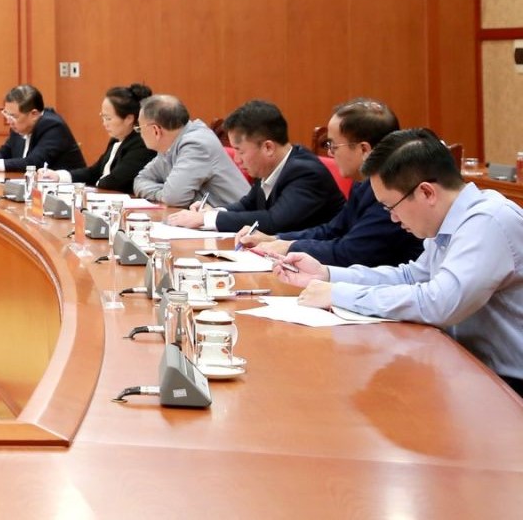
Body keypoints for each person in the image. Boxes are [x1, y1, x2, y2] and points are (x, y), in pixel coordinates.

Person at [277, 128, 523, 397]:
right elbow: (410, 277)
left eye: (391, 206)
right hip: (470, 370)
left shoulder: (487, 222)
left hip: (509, 385)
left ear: (426, 192)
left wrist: (338, 294)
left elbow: (439, 303)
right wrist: (327, 275)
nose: (393, 219)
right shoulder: (449, 220)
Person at [241, 99, 423, 267]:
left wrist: (289, 247)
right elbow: (332, 230)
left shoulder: (394, 190)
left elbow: (352, 253)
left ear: (363, 149)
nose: (329, 153)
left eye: (333, 145)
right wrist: (276, 239)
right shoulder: (363, 183)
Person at [166, 99, 344, 233]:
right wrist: (213, 212)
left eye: (240, 151)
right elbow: (247, 204)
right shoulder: (270, 166)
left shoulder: (306, 172)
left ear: (268, 147)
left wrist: (207, 219)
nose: (237, 159)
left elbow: (274, 221)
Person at [35, 83, 157, 192]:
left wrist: (92, 187)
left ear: (129, 119)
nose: (104, 123)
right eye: (102, 117)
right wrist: (58, 176)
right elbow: (94, 172)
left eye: (108, 118)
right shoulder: (116, 140)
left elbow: (116, 180)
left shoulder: (142, 144)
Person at [132, 94, 247, 207]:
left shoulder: (196, 144)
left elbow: (173, 198)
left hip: (235, 217)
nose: (140, 133)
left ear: (156, 130)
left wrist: (165, 195)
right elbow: (140, 180)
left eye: (139, 128)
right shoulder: (169, 147)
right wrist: (162, 194)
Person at [0, 85, 84, 173]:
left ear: (34, 114)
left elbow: (33, 163)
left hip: (69, 185)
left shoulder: (53, 126)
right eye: (6, 114)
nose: (9, 121)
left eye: (13, 116)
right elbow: (6, 151)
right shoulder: (18, 126)